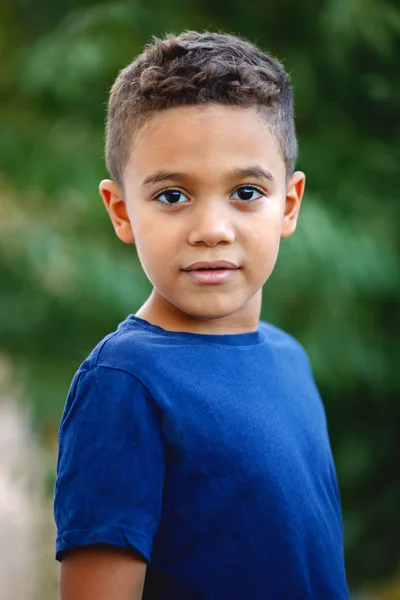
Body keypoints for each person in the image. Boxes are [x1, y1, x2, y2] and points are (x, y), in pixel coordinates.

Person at [54, 31, 350, 600]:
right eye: (172, 195)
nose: (212, 229)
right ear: (121, 212)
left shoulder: (290, 358)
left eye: (245, 191)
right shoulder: (125, 383)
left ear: (288, 204)